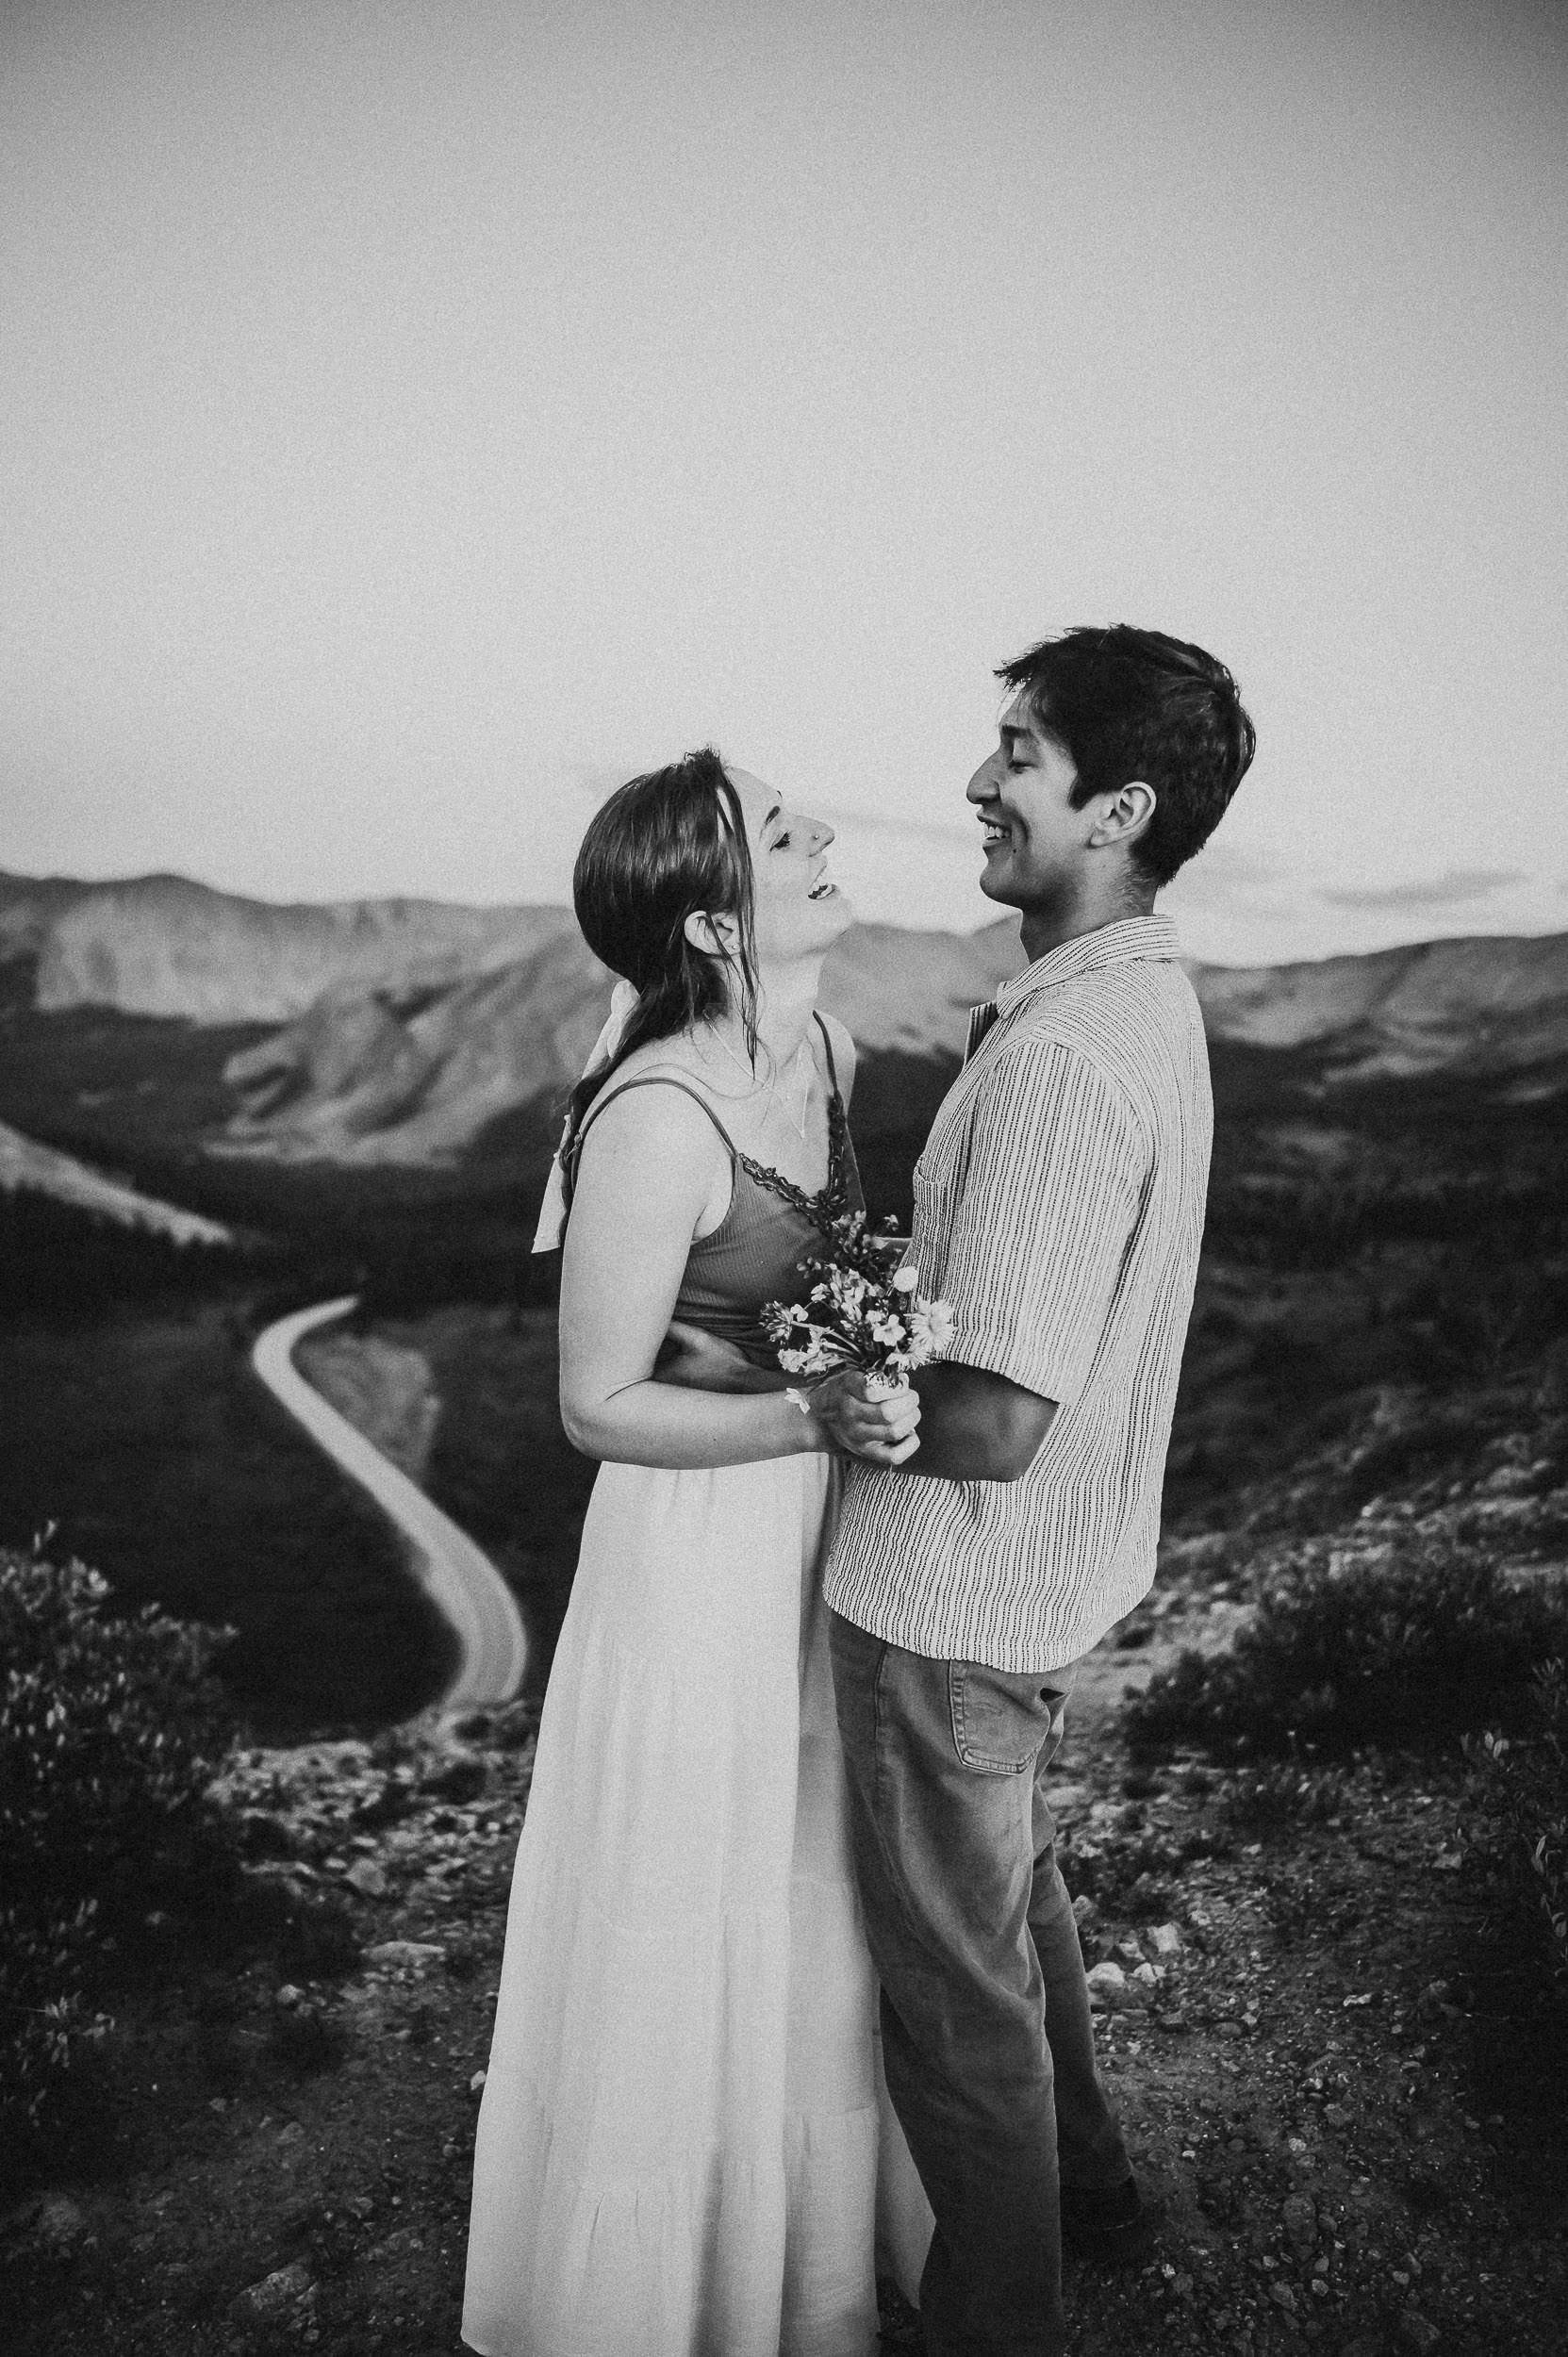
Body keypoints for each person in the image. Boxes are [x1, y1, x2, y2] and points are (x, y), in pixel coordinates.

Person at [461, 748, 933, 2357]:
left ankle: (802, 2272)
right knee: (693, 1883)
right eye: (774, 832)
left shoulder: (834, 1045)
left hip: (822, 1527)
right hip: (693, 1545)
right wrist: (814, 1417)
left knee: (811, 1885)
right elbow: (595, 1406)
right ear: (716, 927)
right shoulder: (656, 1118)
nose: (819, 831)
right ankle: (648, 2300)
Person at [819, 624, 1256, 2357]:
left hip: (950, 1594)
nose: (979, 785)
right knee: (1013, 1906)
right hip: (1047, 1583)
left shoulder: (1066, 1061)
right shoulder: (1135, 997)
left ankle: (998, 2324)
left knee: (951, 1996)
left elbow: (991, 1421)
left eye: (1016, 753)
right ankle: (1099, 2198)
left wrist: (830, 1391)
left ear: (1116, 806)